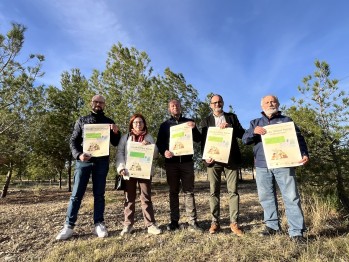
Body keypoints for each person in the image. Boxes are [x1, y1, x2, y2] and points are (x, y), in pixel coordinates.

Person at [242, 95, 309, 242]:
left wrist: (304, 153)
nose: (270, 104)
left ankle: (296, 232)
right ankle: (272, 227)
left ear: (278, 103)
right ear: (262, 106)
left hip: (284, 164)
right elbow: (245, 140)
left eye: (273, 101)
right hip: (262, 166)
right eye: (267, 102)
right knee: (266, 197)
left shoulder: (287, 121)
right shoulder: (255, 122)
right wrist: (254, 132)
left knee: (291, 197)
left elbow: (299, 139)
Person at [56, 95, 121, 240]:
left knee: (99, 195)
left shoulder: (109, 122)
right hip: (83, 162)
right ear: (91, 104)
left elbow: (116, 142)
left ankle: (98, 224)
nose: (98, 104)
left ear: (104, 105)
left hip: (102, 162)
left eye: (101, 102)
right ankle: (69, 226)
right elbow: (73, 140)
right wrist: (78, 155)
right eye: (95, 102)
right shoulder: (82, 120)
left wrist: (116, 132)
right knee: (76, 194)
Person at [201, 94, 246, 236]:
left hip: (230, 160)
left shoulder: (232, 117)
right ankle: (215, 222)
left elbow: (242, 134)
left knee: (233, 192)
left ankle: (234, 223)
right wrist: (205, 158)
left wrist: (230, 127)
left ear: (223, 103)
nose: (217, 104)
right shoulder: (206, 120)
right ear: (210, 105)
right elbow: (203, 142)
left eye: (219, 102)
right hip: (213, 161)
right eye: (214, 102)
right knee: (214, 192)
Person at [156, 99, 202, 232]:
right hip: (171, 164)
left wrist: (194, 128)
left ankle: (192, 222)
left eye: (177, 105)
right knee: (173, 192)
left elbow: (198, 139)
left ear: (181, 107)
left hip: (187, 162)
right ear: (169, 109)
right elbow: (160, 143)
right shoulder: (165, 125)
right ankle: (174, 221)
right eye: (172, 105)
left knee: (189, 192)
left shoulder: (188, 122)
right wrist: (164, 151)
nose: (175, 107)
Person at [116, 113, 162, 236]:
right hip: (129, 172)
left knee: (146, 198)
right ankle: (128, 225)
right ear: (132, 124)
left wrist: (151, 146)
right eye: (136, 122)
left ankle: (150, 225)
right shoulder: (126, 138)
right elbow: (120, 153)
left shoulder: (149, 137)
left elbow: (156, 154)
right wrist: (121, 167)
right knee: (129, 199)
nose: (138, 124)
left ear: (144, 124)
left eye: (140, 122)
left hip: (144, 172)